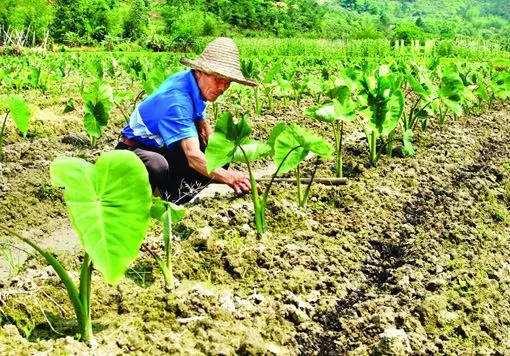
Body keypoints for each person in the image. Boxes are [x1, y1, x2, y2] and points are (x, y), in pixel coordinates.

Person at [116, 37, 257, 204]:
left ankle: (176, 194)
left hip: (162, 146)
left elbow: (203, 127)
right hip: (132, 151)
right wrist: (229, 177)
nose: (222, 88)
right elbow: (192, 156)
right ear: (200, 71)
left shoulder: (191, 82)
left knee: (218, 156)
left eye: (227, 83)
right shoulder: (177, 100)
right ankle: (150, 201)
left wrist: (220, 156)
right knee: (157, 165)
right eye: (218, 79)